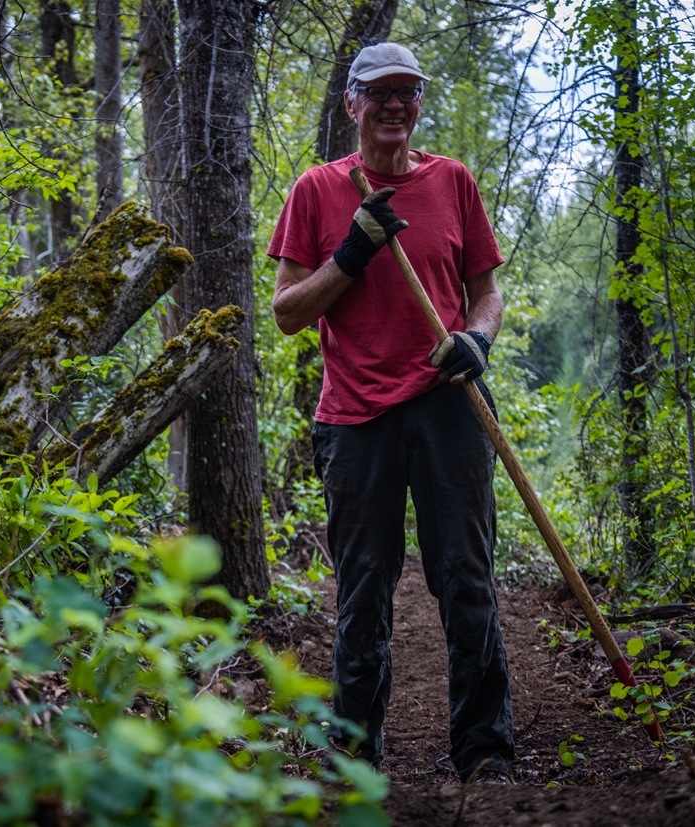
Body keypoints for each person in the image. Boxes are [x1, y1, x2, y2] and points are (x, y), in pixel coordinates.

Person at [267, 42, 514, 782]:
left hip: (450, 405)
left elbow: (486, 291)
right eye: (380, 92)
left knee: (466, 578)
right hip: (355, 418)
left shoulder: (453, 181)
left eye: (407, 92)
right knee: (364, 589)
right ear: (353, 103)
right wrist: (351, 254)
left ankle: (485, 749)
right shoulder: (317, 189)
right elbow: (286, 312)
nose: (395, 105)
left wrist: (477, 339)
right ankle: (354, 754)